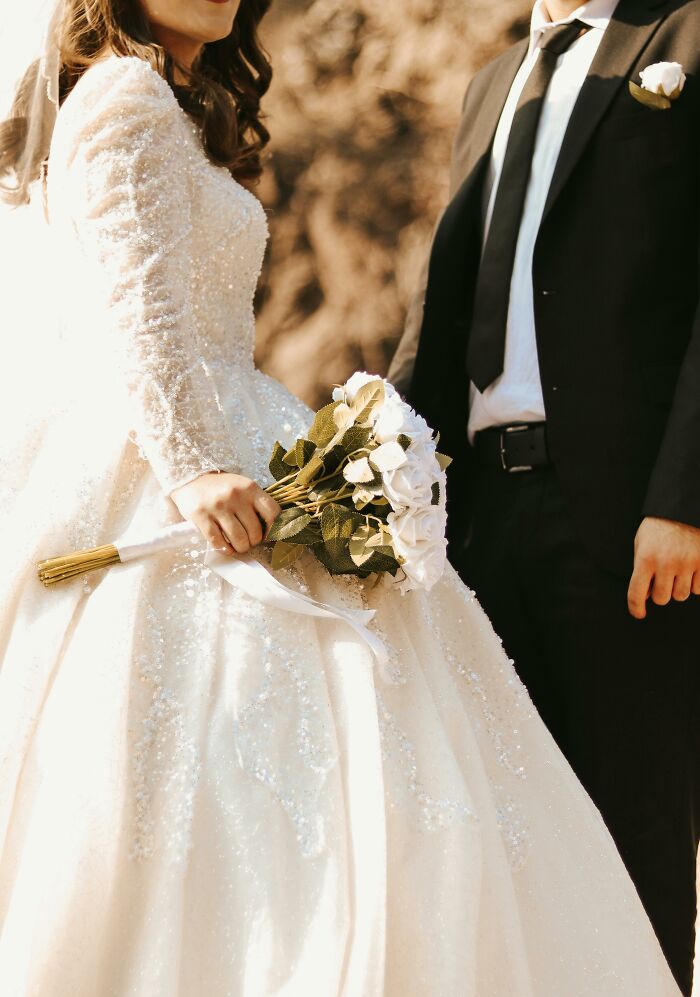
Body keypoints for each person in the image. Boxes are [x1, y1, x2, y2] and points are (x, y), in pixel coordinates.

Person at [0, 1, 682, 994]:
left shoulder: (173, 103)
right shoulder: (125, 95)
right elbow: (136, 312)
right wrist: (192, 468)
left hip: (243, 433)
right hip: (181, 466)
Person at [389, 0, 700, 993]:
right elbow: (442, 302)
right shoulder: (492, 82)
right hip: (477, 525)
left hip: (626, 524)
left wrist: (685, 498)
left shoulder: (687, 35)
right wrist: (369, 472)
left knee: (633, 844)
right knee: (505, 844)